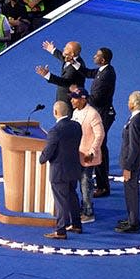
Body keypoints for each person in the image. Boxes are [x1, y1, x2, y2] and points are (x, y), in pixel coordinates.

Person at [39, 101, 83, 239]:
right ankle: (76, 224)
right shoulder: (77, 126)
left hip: (59, 171)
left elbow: (49, 150)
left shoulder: (55, 130)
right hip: (73, 168)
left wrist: (42, 159)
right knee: (72, 196)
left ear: (55, 112)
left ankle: (60, 231)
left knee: (61, 201)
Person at [80, 47, 117, 197]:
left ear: (103, 60)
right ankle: (102, 182)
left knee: (99, 147)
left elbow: (95, 99)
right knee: (101, 147)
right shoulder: (103, 70)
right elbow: (89, 73)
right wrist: (74, 63)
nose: (94, 56)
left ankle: (103, 186)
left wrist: (80, 95)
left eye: (97, 55)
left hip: (103, 115)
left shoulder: (107, 75)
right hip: (101, 113)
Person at [69, 89, 104, 224]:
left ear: (83, 99)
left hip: (87, 156)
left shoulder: (93, 114)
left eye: (75, 98)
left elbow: (100, 135)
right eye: (72, 98)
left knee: (86, 184)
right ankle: (82, 208)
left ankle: (88, 212)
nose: (72, 100)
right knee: (79, 183)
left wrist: (92, 152)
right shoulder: (76, 112)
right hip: (76, 154)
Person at [116, 91, 140, 233]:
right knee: (131, 191)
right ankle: (131, 218)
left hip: (132, 163)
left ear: (134, 104)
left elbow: (134, 146)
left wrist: (127, 167)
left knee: (131, 193)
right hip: (137, 160)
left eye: (129, 100)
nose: (127, 103)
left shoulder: (135, 121)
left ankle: (134, 223)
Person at [35, 40, 85, 104]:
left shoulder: (74, 69)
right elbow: (63, 57)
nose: (64, 48)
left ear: (72, 54)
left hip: (69, 101)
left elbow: (64, 82)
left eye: (66, 48)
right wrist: (53, 50)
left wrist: (47, 75)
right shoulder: (72, 57)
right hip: (64, 96)